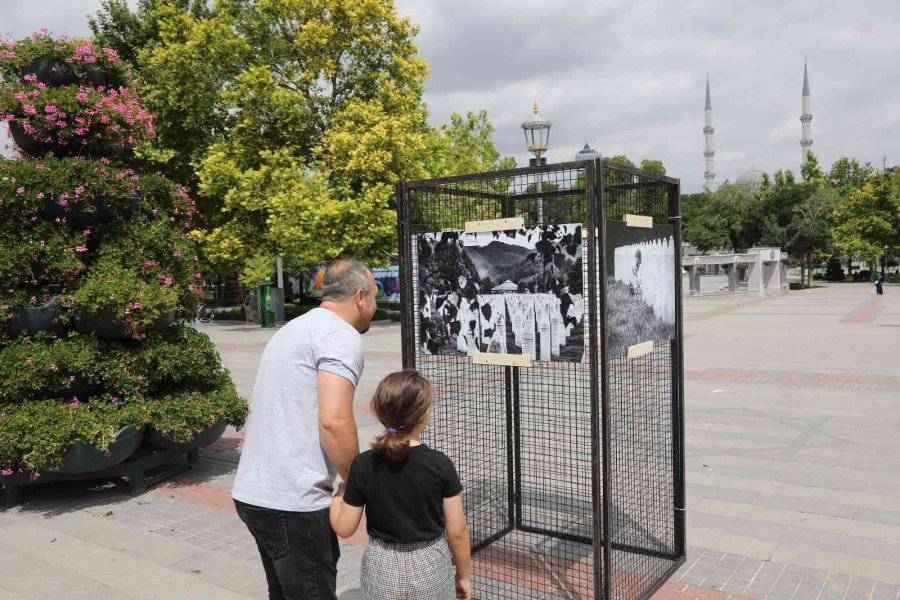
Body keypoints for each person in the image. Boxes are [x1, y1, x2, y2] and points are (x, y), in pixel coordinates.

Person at [232, 259, 378, 600]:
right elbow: (334, 421)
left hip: (255, 493)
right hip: (293, 502)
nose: (374, 303)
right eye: (375, 294)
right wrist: (359, 485)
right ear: (360, 297)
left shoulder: (298, 327)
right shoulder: (341, 336)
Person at [330, 371, 472, 600]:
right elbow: (458, 532)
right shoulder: (440, 464)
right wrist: (463, 576)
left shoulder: (364, 464)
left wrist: (339, 495)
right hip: (431, 565)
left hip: (382, 567)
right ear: (424, 413)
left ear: (378, 411)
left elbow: (344, 527)